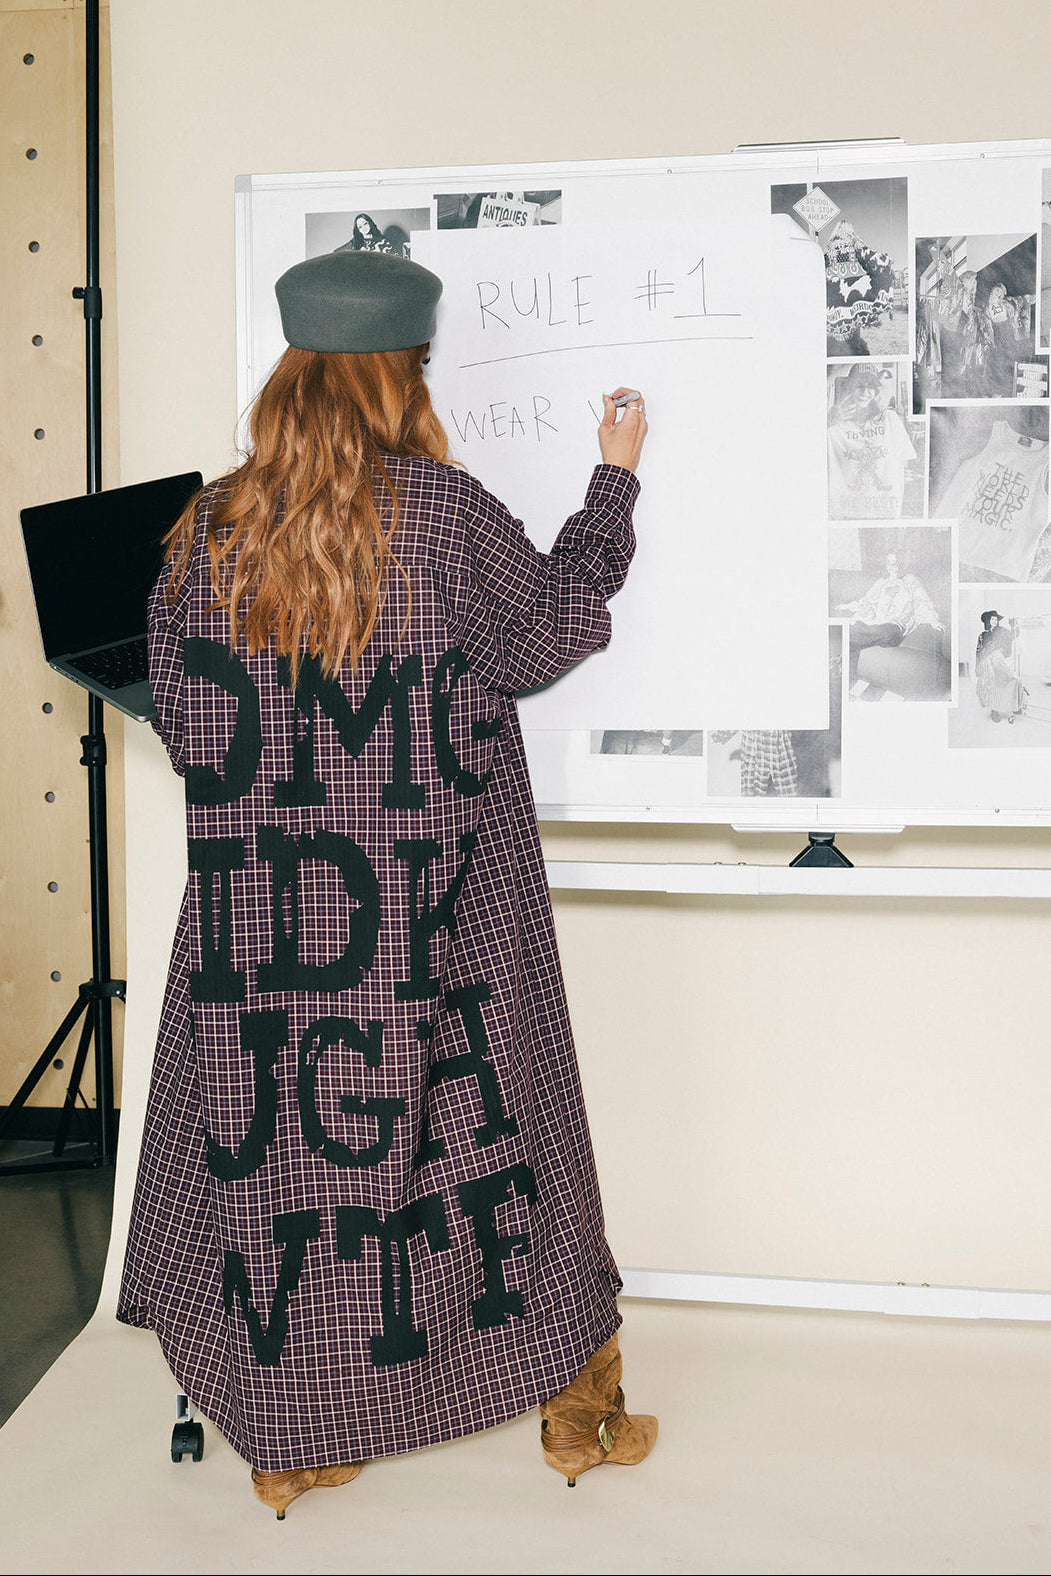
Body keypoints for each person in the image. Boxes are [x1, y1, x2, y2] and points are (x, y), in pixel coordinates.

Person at [116, 248, 656, 1517]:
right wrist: (613, 486)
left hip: (267, 926)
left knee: (295, 1173)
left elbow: (183, 718)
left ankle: (299, 1432)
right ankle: (577, 1405)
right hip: (441, 911)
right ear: (401, 374)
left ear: (291, 376)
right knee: (505, 1127)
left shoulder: (204, 528)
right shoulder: (444, 512)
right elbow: (546, 635)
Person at [837, 548, 944, 683]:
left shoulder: (910, 580)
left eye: (896, 563)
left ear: (903, 563)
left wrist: (932, 620)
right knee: (859, 628)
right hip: (878, 622)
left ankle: (843, 651)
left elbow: (922, 600)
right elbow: (867, 600)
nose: (893, 567)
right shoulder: (883, 582)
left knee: (881, 632)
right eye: (889, 563)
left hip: (895, 627)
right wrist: (847, 606)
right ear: (886, 564)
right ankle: (847, 672)